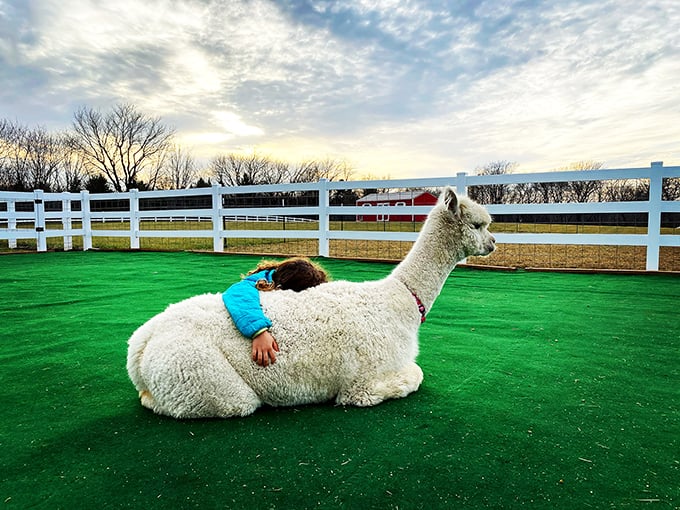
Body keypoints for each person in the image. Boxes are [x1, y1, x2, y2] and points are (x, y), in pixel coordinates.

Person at [223, 257, 329, 367]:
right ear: (280, 289)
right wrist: (259, 332)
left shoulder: (276, 275)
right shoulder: (253, 283)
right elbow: (238, 293)